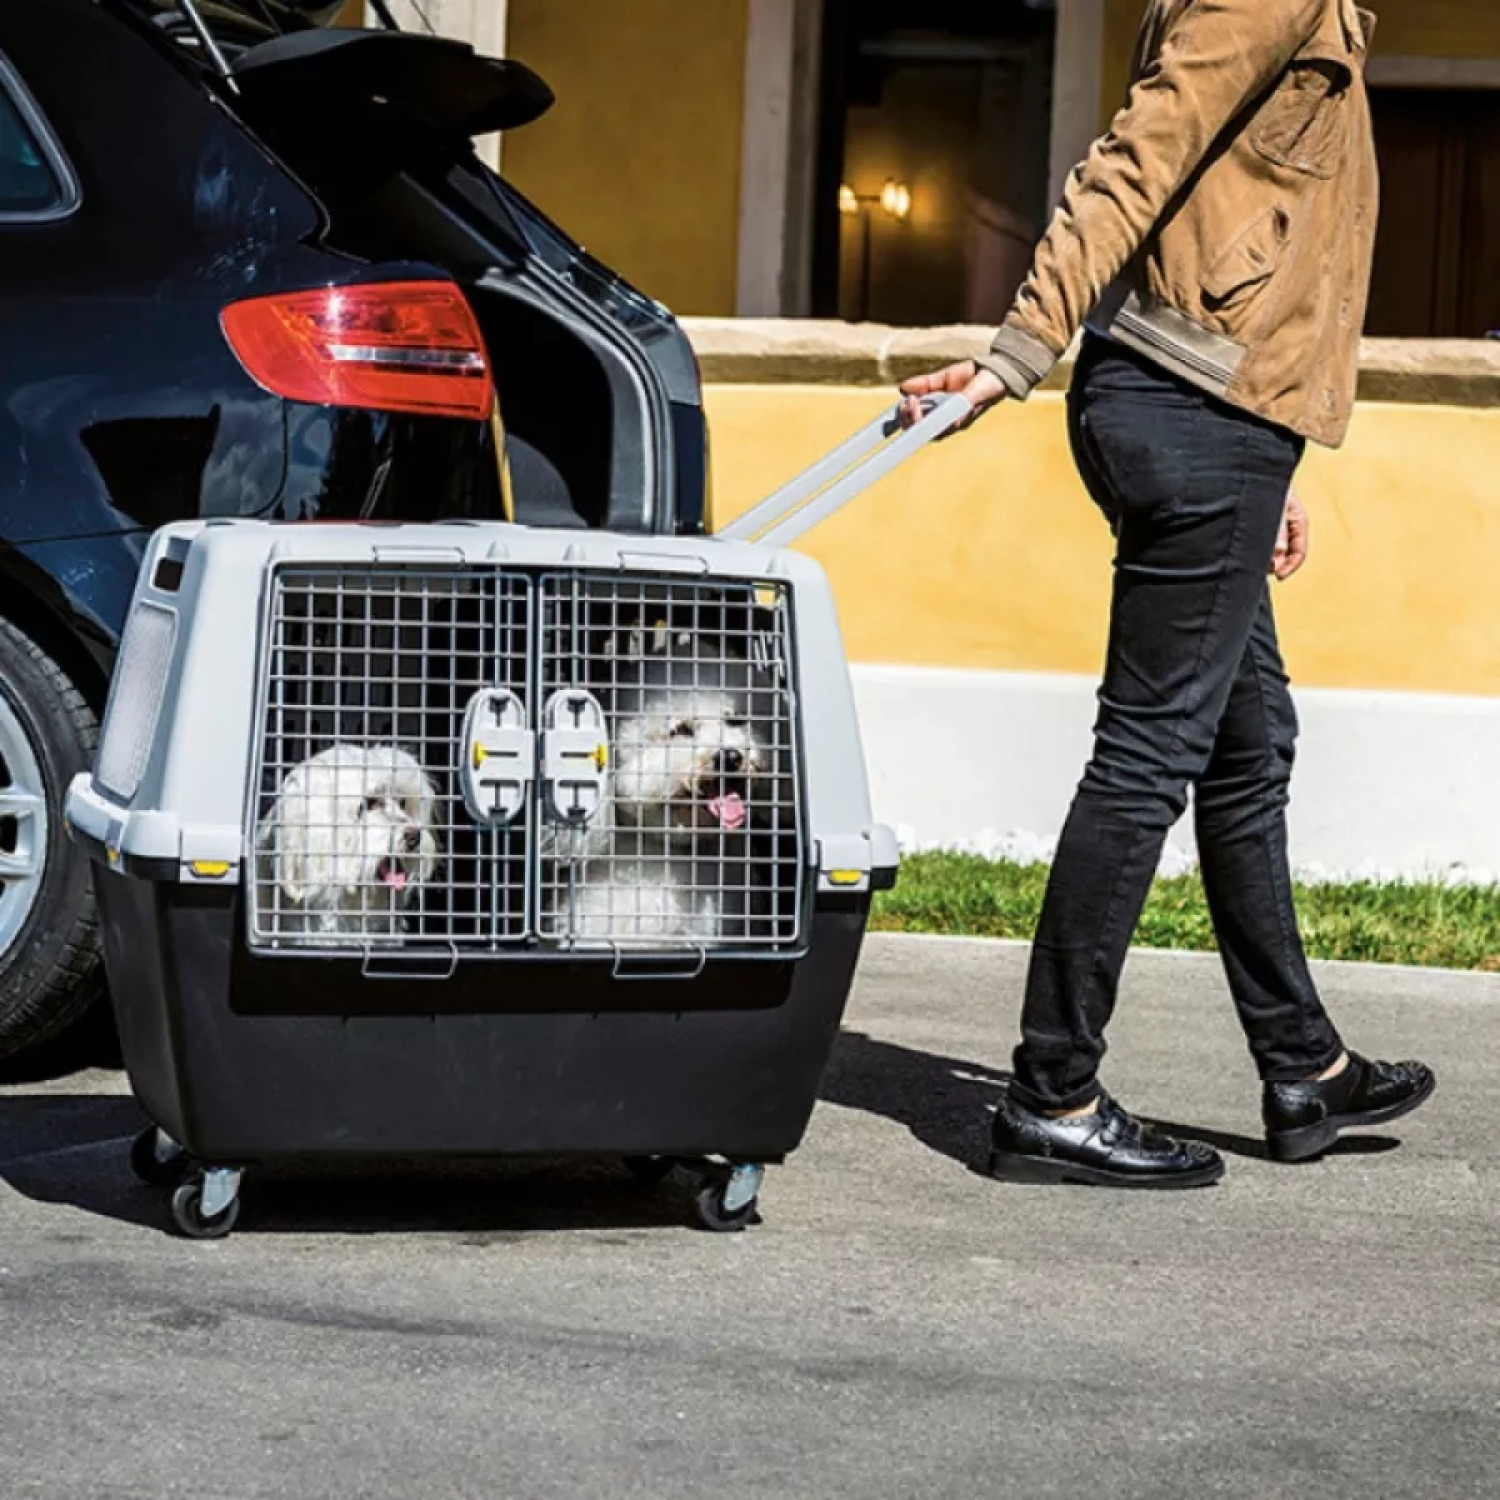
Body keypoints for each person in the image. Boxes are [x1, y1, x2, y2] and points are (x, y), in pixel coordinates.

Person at [900, 0, 1434, 1188]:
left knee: (1249, 742)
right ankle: (1052, 1093)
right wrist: (1016, 351)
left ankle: (1304, 1066)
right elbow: (1138, 154)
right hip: (1194, 409)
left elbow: (1247, 212)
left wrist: (1269, 460)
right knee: (1148, 755)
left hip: (1215, 415)